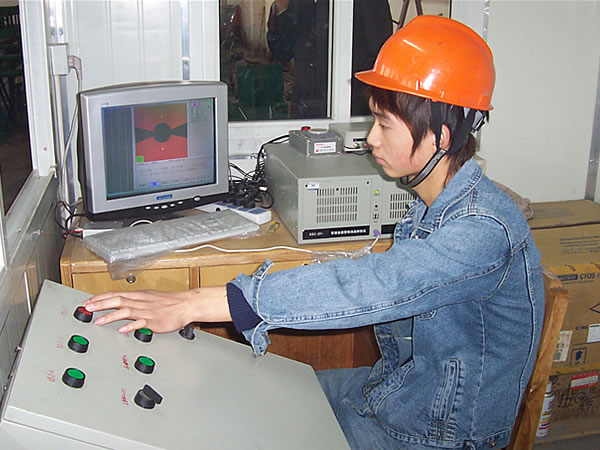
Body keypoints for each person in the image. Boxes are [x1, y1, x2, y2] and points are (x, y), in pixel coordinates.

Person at [84, 16, 544, 449]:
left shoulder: (483, 230)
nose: (371, 138)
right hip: (393, 393)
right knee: (251, 393)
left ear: (440, 136)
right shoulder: (435, 202)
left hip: (434, 435)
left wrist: (193, 303)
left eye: (384, 124)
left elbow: (379, 284)